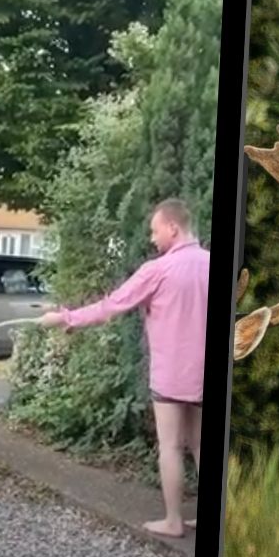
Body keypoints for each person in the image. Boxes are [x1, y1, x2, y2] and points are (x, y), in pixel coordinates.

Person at [38, 198, 208, 537]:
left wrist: (65, 317)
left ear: (173, 228)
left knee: (171, 446)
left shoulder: (158, 270)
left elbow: (112, 306)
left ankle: (174, 520)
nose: (151, 238)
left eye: (155, 230)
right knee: (202, 445)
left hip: (172, 377)